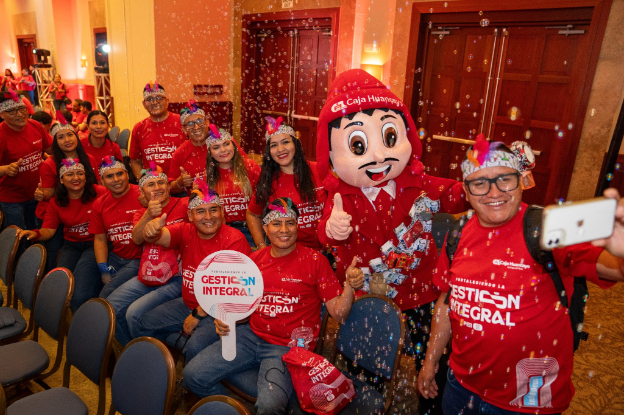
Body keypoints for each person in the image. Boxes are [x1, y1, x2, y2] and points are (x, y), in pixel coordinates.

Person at [418, 136, 624, 415]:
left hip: (527, 399)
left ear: (522, 181)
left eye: (505, 179)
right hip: (461, 385)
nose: (494, 193)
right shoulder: (458, 232)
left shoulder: (547, 228)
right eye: (479, 183)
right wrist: (430, 362)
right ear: (466, 191)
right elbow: (446, 303)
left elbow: (613, 267)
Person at [315, 69, 466, 414]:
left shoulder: (419, 182)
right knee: (366, 366)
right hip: (368, 298)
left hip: (420, 293)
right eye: (358, 145)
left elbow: (456, 194)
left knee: (433, 361)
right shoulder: (339, 195)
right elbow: (325, 232)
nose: (380, 157)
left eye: (389, 137)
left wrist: (488, 182)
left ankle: (430, 405)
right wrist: (333, 229)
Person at [182, 197, 360, 414]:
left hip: (287, 348)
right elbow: (244, 311)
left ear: (297, 226)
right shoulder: (254, 260)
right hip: (250, 336)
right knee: (193, 375)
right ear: (265, 228)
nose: (284, 230)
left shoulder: (316, 261)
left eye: (290, 223)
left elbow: (339, 314)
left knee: (269, 406)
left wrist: (349, 286)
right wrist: (228, 318)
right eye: (276, 223)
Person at [133, 181, 251, 362]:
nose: (208, 217)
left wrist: (197, 315)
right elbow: (157, 236)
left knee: (193, 348)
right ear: (190, 215)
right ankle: (166, 363)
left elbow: (233, 290)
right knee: (143, 323)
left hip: (217, 311)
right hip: (188, 303)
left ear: (222, 212)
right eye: (200, 211)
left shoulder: (235, 240)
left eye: (213, 210)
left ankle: (188, 365)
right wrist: (151, 230)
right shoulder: (185, 230)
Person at [106, 163, 189, 346]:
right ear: (142, 193)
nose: (157, 187)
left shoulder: (184, 204)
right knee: (110, 308)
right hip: (148, 274)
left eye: (161, 183)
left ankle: (153, 353)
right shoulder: (141, 213)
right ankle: (132, 349)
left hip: (177, 277)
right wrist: (148, 215)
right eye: (150, 185)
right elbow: (136, 239)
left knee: (134, 314)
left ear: (168, 187)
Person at [16, 158, 107, 312]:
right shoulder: (56, 201)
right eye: (70, 174)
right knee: (60, 283)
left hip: (95, 245)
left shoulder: (101, 192)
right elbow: (49, 230)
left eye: (80, 173)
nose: (76, 178)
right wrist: (35, 233)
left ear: (86, 177)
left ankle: (85, 317)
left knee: (79, 290)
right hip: (71, 245)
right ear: (61, 180)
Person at [247, 117, 326, 250]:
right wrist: (261, 246)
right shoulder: (268, 180)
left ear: (295, 144)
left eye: (285, 142)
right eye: (274, 145)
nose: (280, 149)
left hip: (323, 252)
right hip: (285, 254)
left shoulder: (319, 170)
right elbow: (253, 214)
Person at [35, 112, 101, 271]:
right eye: (61, 137)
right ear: (55, 142)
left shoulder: (89, 158)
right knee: (52, 259)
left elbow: (96, 186)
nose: (67, 140)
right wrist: (42, 194)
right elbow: (49, 192)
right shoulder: (49, 164)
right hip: (55, 214)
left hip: (83, 212)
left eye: (70, 135)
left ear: (76, 136)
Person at [89, 156, 143, 300]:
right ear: (102, 181)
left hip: (140, 259)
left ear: (127, 175)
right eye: (109, 176)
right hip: (116, 257)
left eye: (119, 174)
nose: (116, 179)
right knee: (88, 289)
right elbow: (100, 239)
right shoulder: (100, 204)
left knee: (106, 296)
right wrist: (103, 268)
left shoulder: (143, 194)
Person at [0, 88, 53, 230]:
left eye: (21, 108)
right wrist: (5, 169)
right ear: (2, 114)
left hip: (37, 194)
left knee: (35, 232)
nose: (20, 114)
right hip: (12, 200)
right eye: (12, 111)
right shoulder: (1, 135)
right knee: (18, 237)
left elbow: (52, 150)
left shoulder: (35, 125)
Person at [204, 123, 260, 247]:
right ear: (210, 152)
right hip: (222, 231)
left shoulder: (251, 167)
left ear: (233, 145)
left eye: (226, 144)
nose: (223, 150)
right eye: (216, 147)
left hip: (252, 229)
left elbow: (265, 199)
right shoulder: (207, 177)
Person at [129, 83, 186, 180]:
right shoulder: (138, 128)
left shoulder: (183, 122)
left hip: (181, 184)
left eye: (159, 98)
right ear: (144, 104)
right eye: (149, 99)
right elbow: (135, 161)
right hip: (154, 186)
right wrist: (144, 181)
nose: (155, 102)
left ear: (167, 101)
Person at [168, 100, 209, 196]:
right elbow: (172, 188)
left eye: (200, 121)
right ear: (184, 129)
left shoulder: (224, 143)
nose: (196, 127)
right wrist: (180, 182)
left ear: (207, 122)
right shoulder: (179, 153)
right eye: (190, 124)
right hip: (197, 202)